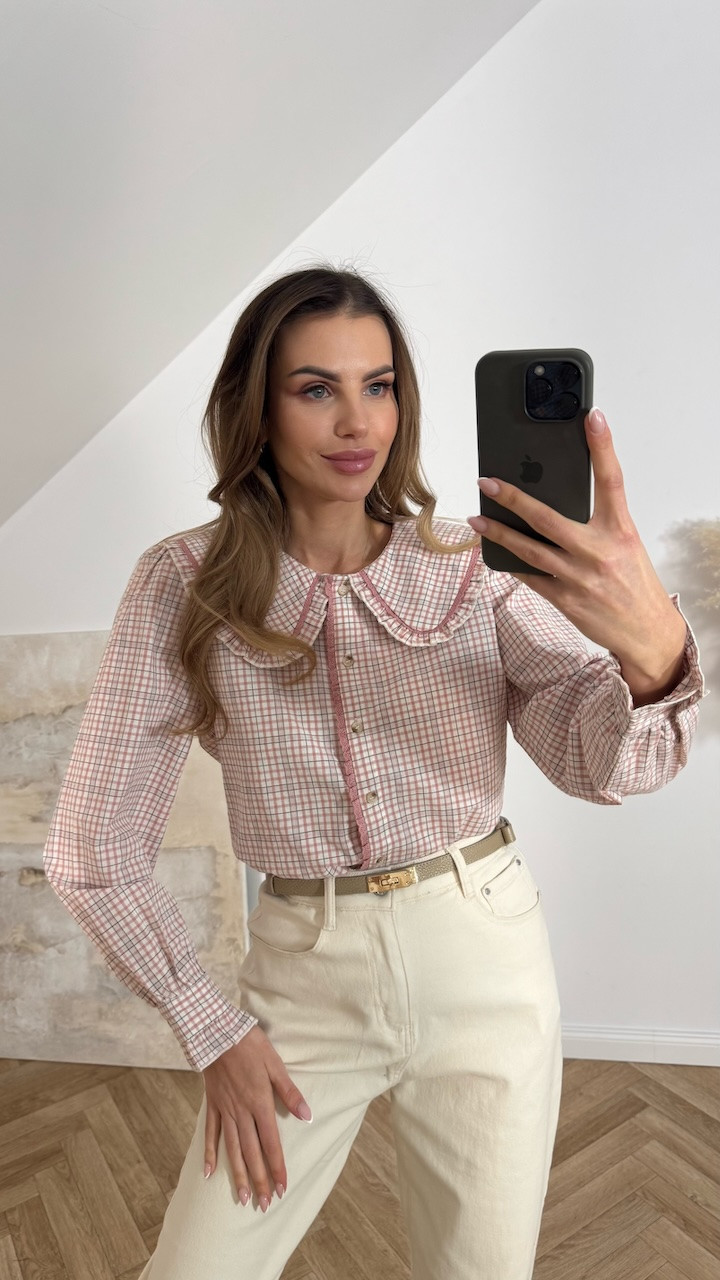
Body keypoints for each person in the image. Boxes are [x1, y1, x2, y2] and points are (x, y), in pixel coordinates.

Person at [43, 266, 704, 1280]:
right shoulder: (183, 583)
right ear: (256, 408)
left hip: (484, 960)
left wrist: (653, 653)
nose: (358, 422)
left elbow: (597, 759)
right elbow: (92, 848)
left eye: (380, 384)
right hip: (302, 980)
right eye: (317, 388)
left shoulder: (471, 564)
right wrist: (212, 1031)